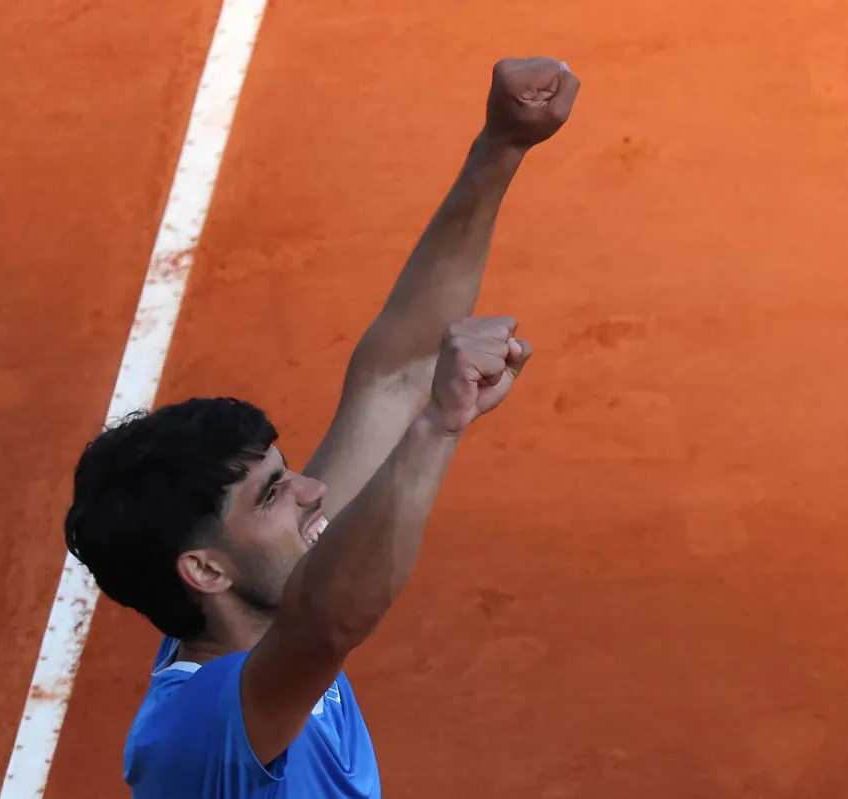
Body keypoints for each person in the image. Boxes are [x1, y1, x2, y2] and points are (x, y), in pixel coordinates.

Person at [63, 56, 580, 798]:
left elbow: (394, 375)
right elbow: (330, 621)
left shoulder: (242, 606)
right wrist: (439, 427)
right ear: (206, 570)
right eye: (272, 495)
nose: (313, 490)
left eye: (284, 474)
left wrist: (499, 147)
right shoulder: (203, 727)